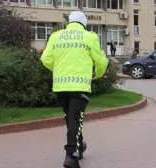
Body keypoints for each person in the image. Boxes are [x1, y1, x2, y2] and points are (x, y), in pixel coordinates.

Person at [40, 11, 108, 168]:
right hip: (79, 87)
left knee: (71, 118)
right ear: (84, 24)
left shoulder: (56, 36)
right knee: (75, 119)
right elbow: (101, 61)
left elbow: (45, 59)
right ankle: (71, 155)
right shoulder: (89, 36)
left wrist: (58, 70)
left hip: (60, 87)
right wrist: (97, 74)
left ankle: (79, 146)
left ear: (69, 22)